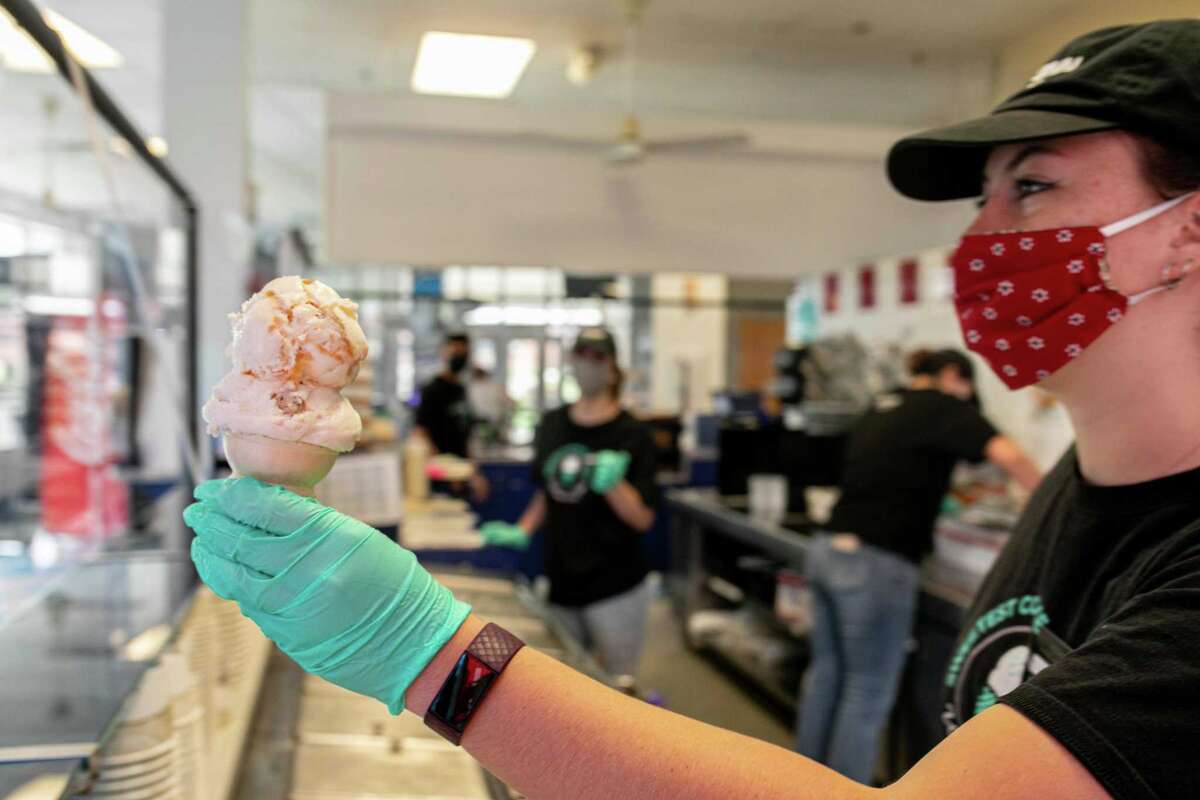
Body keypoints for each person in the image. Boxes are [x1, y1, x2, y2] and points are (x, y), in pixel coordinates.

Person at [186, 21, 1200, 798]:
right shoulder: (1082, 484)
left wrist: (435, 656)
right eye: (980, 197)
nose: (978, 239)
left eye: (1030, 186)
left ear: (1187, 233)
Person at [798, 347, 1041, 782]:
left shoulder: (884, 403)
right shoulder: (944, 405)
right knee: (866, 691)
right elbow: (1012, 457)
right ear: (952, 375)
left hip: (827, 550)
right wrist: (1051, 509)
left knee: (826, 677)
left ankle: (799, 787)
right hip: (876, 563)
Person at [479, 327, 658, 678]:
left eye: (597, 358)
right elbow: (548, 491)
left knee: (616, 689)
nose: (586, 365)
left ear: (611, 368)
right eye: (580, 356)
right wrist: (523, 529)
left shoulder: (633, 433)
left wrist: (613, 484)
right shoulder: (553, 424)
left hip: (615, 584)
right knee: (566, 684)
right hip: (560, 579)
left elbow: (643, 520)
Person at [413, 332, 488, 501]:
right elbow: (421, 434)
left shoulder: (460, 389)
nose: (459, 356)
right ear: (444, 353)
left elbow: (463, 435)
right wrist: (447, 471)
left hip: (460, 477)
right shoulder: (432, 390)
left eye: (463, 352)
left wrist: (473, 473)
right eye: (455, 351)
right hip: (441, 480)